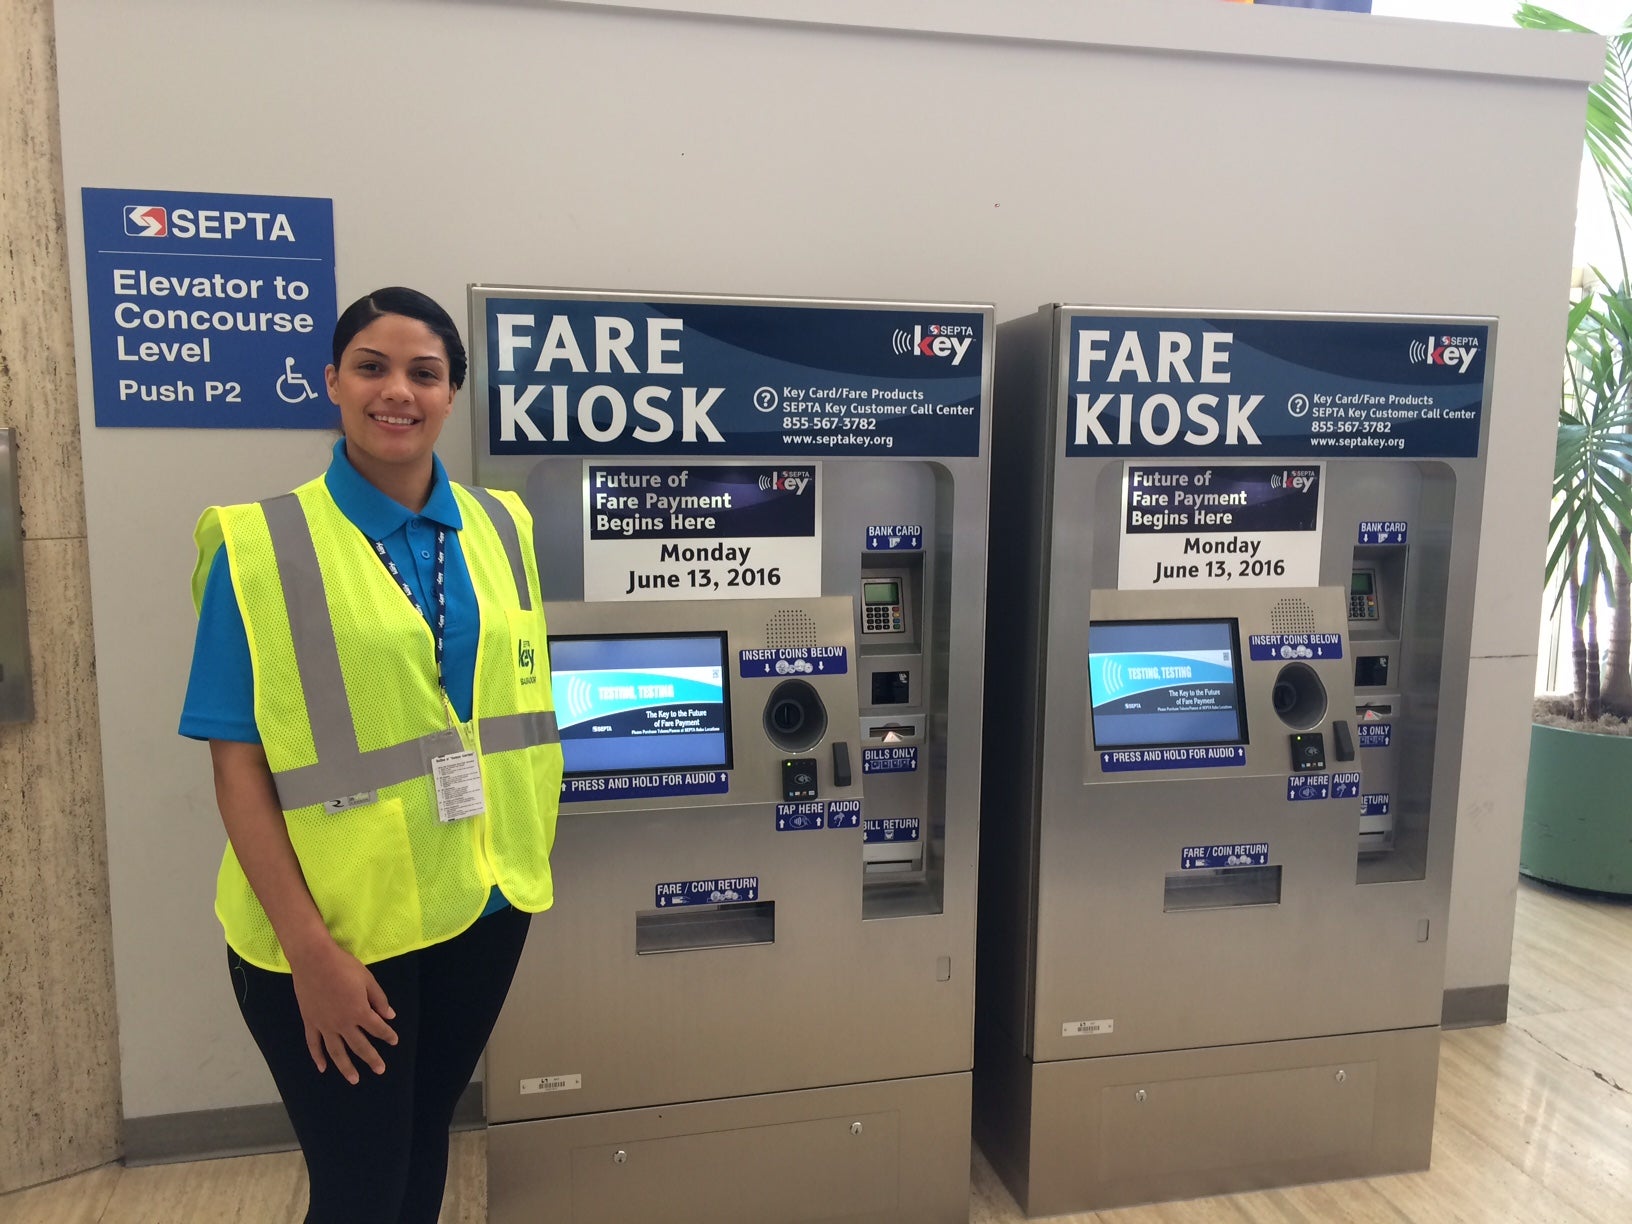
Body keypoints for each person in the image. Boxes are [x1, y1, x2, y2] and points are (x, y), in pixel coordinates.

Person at [180, 287, 562, 1224]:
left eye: (424, 373)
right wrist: (312, 954)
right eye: (372, 367)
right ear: (333, 384)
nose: (398, 391)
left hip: (481, 902)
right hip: (335, 936)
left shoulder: (500, 525)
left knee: (423, 1146)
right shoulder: (259, 546)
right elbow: (239, 771)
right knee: (361, 1186)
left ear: (450, 394)